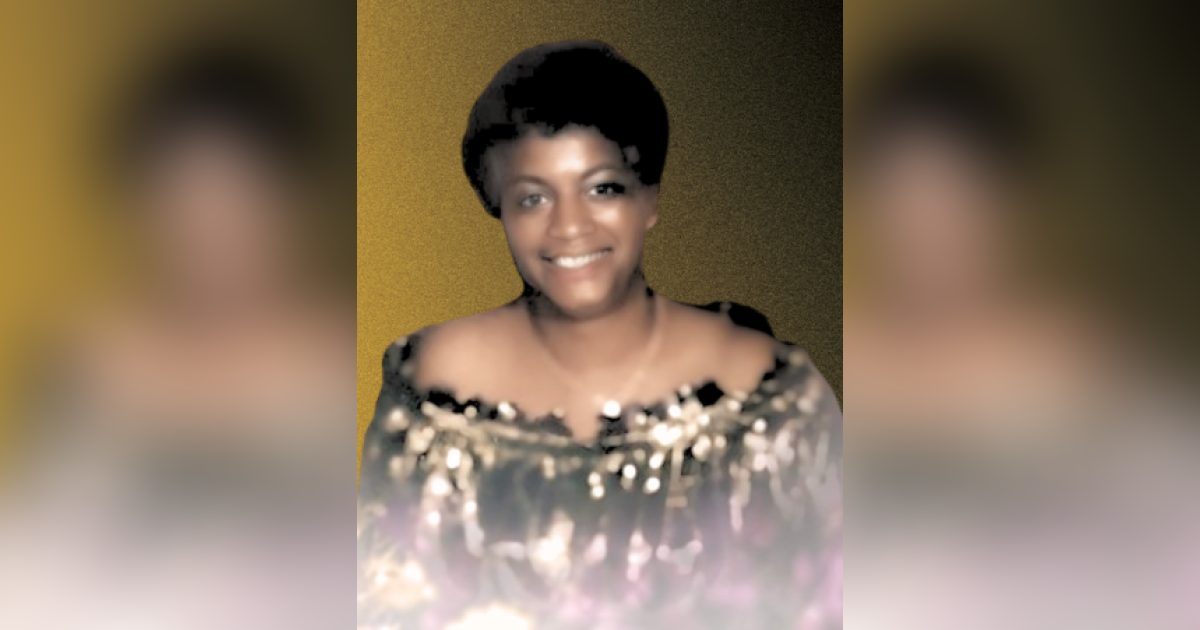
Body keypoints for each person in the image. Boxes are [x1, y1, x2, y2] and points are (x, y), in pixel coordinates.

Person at [358, 40, 842, 630]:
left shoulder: (772, 393)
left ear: (650, 201)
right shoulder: (430, 388)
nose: (569, 226)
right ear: (501, 211)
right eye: (533, 198)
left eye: (602, 188)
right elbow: (384, 602)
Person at [0, 40, 351, 630]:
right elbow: (37, 549)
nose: (210, 236)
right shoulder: (91, 356)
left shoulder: (350, 357)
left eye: (237, 202)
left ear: (293, 202)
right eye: (184, 204)